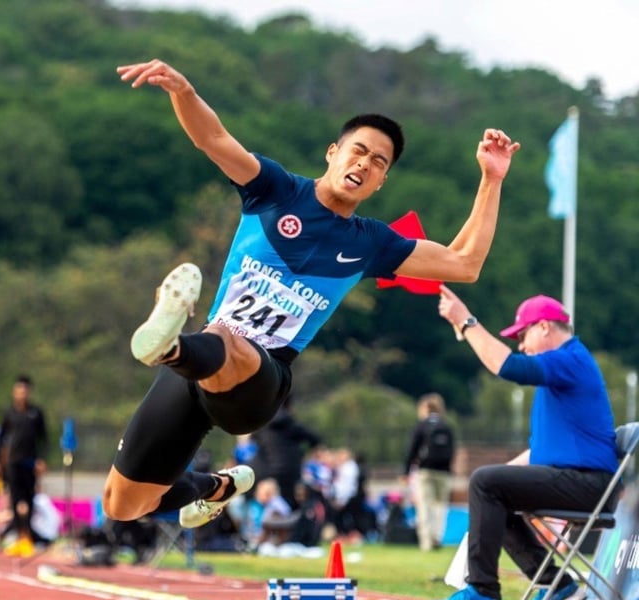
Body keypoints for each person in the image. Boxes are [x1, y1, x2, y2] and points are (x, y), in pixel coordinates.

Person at [102, 59, 520, 533]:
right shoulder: (275, 190)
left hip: (260, 380)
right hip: (198, 368)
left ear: (382, 181)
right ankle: (215, 487)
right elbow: (213, 140)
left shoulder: (371, 243)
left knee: (226, 337)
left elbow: (463, 263)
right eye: (358, 151)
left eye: (378, 162)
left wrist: (491, 178)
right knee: (123, 503)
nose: (365, 163)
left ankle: (170, 343)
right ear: (332, 153)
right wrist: (183, 91)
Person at [424, 288, 618, 600]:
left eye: (522, 334)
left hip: (591, 485)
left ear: (544, 327)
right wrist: (504, 474)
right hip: (585, 481)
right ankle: (556, 585)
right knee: (493, 489)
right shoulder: (564, 370)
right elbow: (551, 447)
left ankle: (483, 593)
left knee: (486, 481)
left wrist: (466, 321)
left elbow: (508, 366)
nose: (521, 344)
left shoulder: (569, 360)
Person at [0, 375, 50, 558]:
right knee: (16, 501)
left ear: (29, 392)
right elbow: (1, 439)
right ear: (14, 393)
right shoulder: (9, 413)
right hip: (13, 463)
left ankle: (27, 536)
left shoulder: (36, 413)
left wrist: (42, 459)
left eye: (25, 390)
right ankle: (21, 536)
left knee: (29, 500)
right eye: (19, 391)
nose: (22, 394)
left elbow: (43, 439)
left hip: (30, 462)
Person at [403, 393, 456, 551]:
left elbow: (411, 450)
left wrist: (406, 471)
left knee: (425, 505)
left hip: (425, 470)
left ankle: (426, 541)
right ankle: (437, 537)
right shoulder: (446, 426)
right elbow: (453, 450)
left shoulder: (422, 426)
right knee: (440, 506)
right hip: (444, 472)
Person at [250, 396, 322, 512]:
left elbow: (253, 439)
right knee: (291, 507)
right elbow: (315, 439)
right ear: (289, 406)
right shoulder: (292, 425)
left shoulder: (262, 427)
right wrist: (304, 454)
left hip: (268, 472)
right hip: (291, 472)